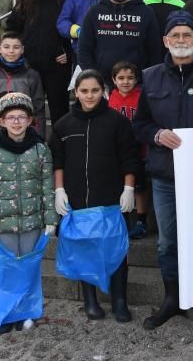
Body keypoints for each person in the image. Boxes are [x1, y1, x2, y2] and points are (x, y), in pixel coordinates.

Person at [132, 11, 193, 332]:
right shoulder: (149, 78)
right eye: (174, 36)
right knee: (167, 243)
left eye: (186, 36)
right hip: (164, 175)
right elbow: (140, 125)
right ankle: (173, 298)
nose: (180, 41)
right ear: (165, 41)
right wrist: (156, 135)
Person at [51, 69, 140, 322]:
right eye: (84, 91)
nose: (89, 96)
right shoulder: (63, 125)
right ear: (76, 92)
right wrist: (59, 189)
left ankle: (119, 300)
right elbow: (57, 160)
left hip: (111, 198)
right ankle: (90, 300)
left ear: (104, 91)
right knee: (84, 247)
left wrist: (129, 187)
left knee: (116, 249)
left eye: (95, 90)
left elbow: (129, 157)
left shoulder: (118, 122)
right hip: (77, 198)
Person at [0, 92, 57, 335]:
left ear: (30, 120)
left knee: (28, 269)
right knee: (5, 270)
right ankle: (6, 314)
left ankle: (26, 313)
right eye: (11, 117)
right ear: (2, 121)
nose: (17, 122)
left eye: (22, 117)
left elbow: (47, 187)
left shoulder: (40, 150)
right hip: (2, 224)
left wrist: (50, 219)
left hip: (32, 223)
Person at [6, 0, 73, 126]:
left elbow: (79, 29)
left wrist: (69, 53)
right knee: (28, 109)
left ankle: (59, 149)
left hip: (57, 66)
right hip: (30, 65)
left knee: (60, 111)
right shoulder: (27, 1)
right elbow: (12, 28)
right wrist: (17, 51)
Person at [77, 0, 162, 84]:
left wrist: (144, 82)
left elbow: (154, 53)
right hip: (102, 86)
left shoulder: (146, 13)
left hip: (136, 86)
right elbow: (84, 51)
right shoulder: (94, 12)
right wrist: (95, 80)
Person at [0, 32, 46, 150]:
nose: (11, 51)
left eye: (16, 47)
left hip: (24, 134)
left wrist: (40, 137)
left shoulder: (32, 75)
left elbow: (38, 109)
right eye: (6, 47)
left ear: (22, 50)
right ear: (0, 49)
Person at [107, 61, 150, 240]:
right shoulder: (110, 98)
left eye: (130, 78)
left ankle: (141, 220)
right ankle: (121, 220)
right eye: (121, 78)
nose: (126, 82)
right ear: (113, 80)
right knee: (118, 185)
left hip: (139, 149)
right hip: (117, 150)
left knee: (139, 186)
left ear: (136, 79)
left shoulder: (142, 97)